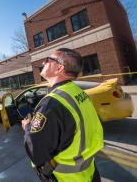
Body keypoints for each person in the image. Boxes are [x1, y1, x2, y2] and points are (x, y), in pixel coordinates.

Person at [21, 48, 103, 182]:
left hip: (66, 178)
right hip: (89, 173)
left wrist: (27, 127)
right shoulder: (79, 93)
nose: (43, 62)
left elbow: (36, 153)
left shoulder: (51, 104)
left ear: (59, 67)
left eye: (48, 60)